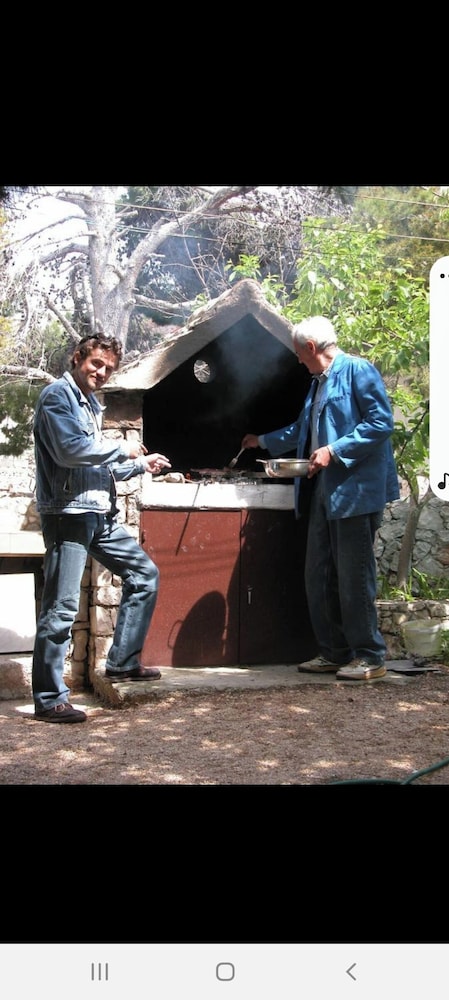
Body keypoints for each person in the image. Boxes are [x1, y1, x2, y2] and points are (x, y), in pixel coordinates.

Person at [242, 315, 400, 682]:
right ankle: (334, 652)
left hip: (356, 492)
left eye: (299, 354)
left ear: (311, 348)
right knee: (318, 573)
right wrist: (261, 441)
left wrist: (334, 450)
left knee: (354, 577)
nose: (298, 360)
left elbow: (381, 423)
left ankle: (369, 656)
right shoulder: (317, 385)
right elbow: (302, 430)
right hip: (325, 492)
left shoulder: (358, 371)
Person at [32, 332, 171, 723]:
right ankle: (49, 699)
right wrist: (122, 447)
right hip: (67, 515)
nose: (102, 372)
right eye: (96, 363)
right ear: (77, 358)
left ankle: (123, 661)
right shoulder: (57, 397)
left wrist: (140, 465)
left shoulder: (90, 403)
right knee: (60, 609)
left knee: (144, 574)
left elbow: (97, 466)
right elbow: (70, 451)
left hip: (97, 514)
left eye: (108, 368)